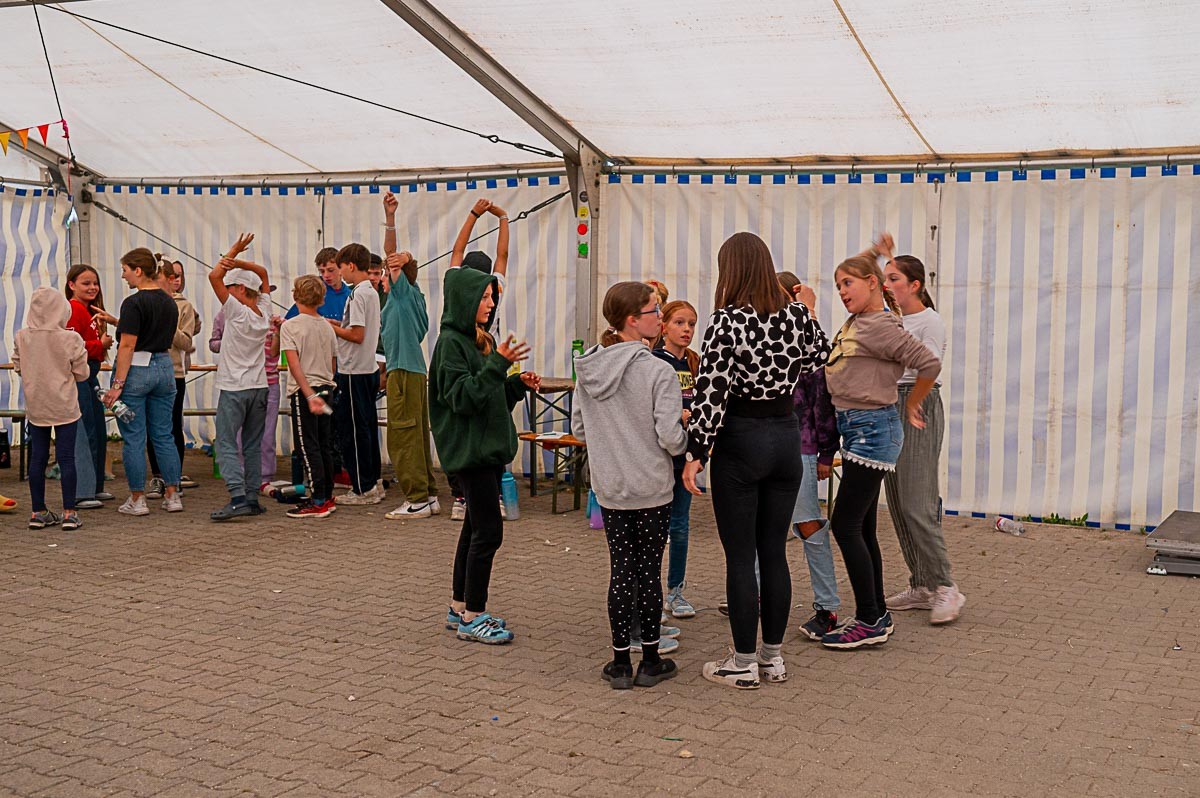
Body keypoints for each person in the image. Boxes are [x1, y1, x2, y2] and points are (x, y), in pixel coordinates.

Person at [681, 232, 830, 690]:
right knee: (774, 553)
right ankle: (773, 659)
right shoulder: (796, 316)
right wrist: (805, 309)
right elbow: (822, 356)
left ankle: (743, 662)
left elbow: (711, 391)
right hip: (785, 438)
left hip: (741, 441)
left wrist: (696, 452)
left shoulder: (726, 320)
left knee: (741, 557)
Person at [818, 235, 942, 649]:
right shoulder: (862, 319)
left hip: (872, 430)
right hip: (857, 428)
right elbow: (860, 272)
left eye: (847, 284)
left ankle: (869, 618)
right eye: (838, 285)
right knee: (862, 525)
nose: (841, 291)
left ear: (872, 283)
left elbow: (929, 363)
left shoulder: (881, 325)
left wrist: (914, 402)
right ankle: (875, 613)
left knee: (845, 524)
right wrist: (872, 253)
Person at [573, 282, 686, 689]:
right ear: (633, 320)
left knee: (621, 568)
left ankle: (620, 661)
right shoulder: (658, 371)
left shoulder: (588, 369)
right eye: (655, 311)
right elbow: (670, 437)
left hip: (611, 486)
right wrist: (686, 440)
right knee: (649, 571)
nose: (660, 317)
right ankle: (651, 660)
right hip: (651, 486)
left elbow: (579, 429)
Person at [430, 265, 538, 645]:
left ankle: (459, 606)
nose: (491, 304)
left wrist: (515, 385)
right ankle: (473, 616)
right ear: (466, 300)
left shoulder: (477, 340)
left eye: (492, 297)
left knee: (474, 529)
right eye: (485, 297)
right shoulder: (450, 344)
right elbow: (462, 398)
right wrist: (498, 365)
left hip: (485, 450)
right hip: (471, 453)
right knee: (489, 532)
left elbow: (488, 397)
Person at [881, 249, 964, 624]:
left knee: (918, 503)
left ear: (914, 285)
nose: (886, 285)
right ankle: (922, 584)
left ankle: (945, 585)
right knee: (898, 504)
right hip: (887, 405)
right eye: (885, 278)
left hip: (917, 403)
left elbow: (927, 367)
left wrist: (913, 403)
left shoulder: (930, 321)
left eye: (894, 278)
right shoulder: (889, 319)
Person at [777, 271, 842, 641]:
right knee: (762, 525)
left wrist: (825, 453)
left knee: (808, 525)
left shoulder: (809, 341)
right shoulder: (764, 336)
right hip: (768, 445)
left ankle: (827, 606)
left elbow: (823, 403)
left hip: (801, 447)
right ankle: (756, 593)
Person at [101, 248, 183, 515]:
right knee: (164, 434)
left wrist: (117, 385)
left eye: (125, 270)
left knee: (134, 438)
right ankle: (172, 494)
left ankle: (137, 499)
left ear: (138, 270)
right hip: (165, 367)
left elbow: (127, 345)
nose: (123, 276)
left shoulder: (133, 303)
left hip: (136, 369)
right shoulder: (169, 302)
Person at [447, 198, 512, 521]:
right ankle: (492, 495)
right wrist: (503, 217)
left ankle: (462, 496)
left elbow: (456, 251)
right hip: (490, 356)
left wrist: (474, 215)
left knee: (464, 427)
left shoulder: (457, 289)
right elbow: (503, 255)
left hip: (475, 355)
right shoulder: (494, 286)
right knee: (491, 425)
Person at [379, 192, 440, 519]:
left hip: (403, 373)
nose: (382, 278)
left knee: (402, 437)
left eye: (386, 273)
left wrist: (390, 218)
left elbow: (391, 255)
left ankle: (416, 498)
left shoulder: (402, 294)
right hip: (415, 372)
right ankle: (428, 494)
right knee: (416, 435)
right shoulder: (416, 297)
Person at [207, 234, 273, 521]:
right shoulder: (265, 311)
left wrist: (233, 252)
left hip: (234, 388)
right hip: (260, 387)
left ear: (242, 289)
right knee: (252, 444)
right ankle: (252, 497)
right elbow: (264, 274)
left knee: (225, 443)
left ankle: (237, 497)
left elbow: (214, 276)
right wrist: (241, 264)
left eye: (232, 287)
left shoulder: (235, 311)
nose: (227, 291)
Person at [14, 287, 90, 530]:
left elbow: (18, 366)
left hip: (37, 404)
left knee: (38, 458)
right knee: (66, 458)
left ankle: (38, 512)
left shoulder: (22, 336)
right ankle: (69, 513)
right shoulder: (70, 338)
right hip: (64, 405)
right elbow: (82, 374)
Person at [652, 300, 700, 618]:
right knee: (655, 528)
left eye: (691, 324)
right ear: (664, 326)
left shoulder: (695, 363)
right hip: (658, 457)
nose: (686, 330)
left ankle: (675, 591)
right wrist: (674, 415)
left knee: (680, 526)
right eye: (679, 323)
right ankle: (649, 594)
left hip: (686, 456)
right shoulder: (654, 361)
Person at [329, 243, 385, 505]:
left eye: (340, 268)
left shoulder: (359, 293)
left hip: (354, 370)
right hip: (367, 368)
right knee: (367, 427)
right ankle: (373, 481)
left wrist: (332, 328)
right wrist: (339, 325)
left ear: (350, 266)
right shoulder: (370, 292)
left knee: (353, 431)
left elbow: (357, 334)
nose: (340, 274)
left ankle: (363, 487)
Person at [280, 275, 338, 519]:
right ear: (322, 299)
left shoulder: (290, 326)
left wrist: (308, 393)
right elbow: (333, 363)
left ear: (296, 296)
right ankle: (327, 495)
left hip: (305, 391)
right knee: (324, 444)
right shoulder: (327, 326)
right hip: (327, 387)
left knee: (307, 446)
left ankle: (317, 501)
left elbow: (294, 365)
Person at [147, 258, 200, 496]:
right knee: (152, 426)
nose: (175, 280)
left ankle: (174, 476)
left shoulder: (183, 306)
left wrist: (166, 322)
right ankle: (157, 476)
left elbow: (186, 342)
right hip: (147, 370)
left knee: (171, 425)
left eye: (178, 275)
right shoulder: (144, 300)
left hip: (173, 372)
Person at [64, 264, 114, 507]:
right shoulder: (73, 309)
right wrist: (100, 346)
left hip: (90, 374)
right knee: (85, 431)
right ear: (71, 285)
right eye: (86, 283)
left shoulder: (89, 310)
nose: (93, 287)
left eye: (95, 283)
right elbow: (71, 346)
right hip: (79, 376)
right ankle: (82, 491)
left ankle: (94, 486)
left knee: (97, 429)